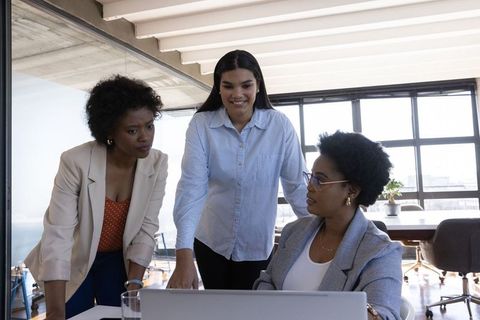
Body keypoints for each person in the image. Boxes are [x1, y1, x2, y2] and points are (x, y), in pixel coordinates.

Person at [24, 75, 168, 319]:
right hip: (73, 257)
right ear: (110, 131)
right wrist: (55, 311)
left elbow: (146, 227)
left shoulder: (157, 163)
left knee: (122, 313)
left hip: (116, 260)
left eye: (149, 125)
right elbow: (58, 236)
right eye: (132, 130)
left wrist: (134, 285)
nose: (145, 137)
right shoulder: (75, 162)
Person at [167, 50, 309, 290]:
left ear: (258, 86)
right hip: (211, 242)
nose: (237, 94)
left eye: (246, 85)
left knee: (251, 312)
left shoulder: (279, 126)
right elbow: (192, 189)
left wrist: (324, 234)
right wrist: (183, 257)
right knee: (217, 311)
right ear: (218, 88)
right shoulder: (201, 125)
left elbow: (296, 188)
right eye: (228, 86)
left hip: (257, 247)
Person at [254, 131, 403, 320]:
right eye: (311, 177)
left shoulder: (380, 252)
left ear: (352, 191)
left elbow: (383, 314)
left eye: (320, 180)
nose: (309, 186)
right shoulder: (294, 231)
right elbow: (268, 281)